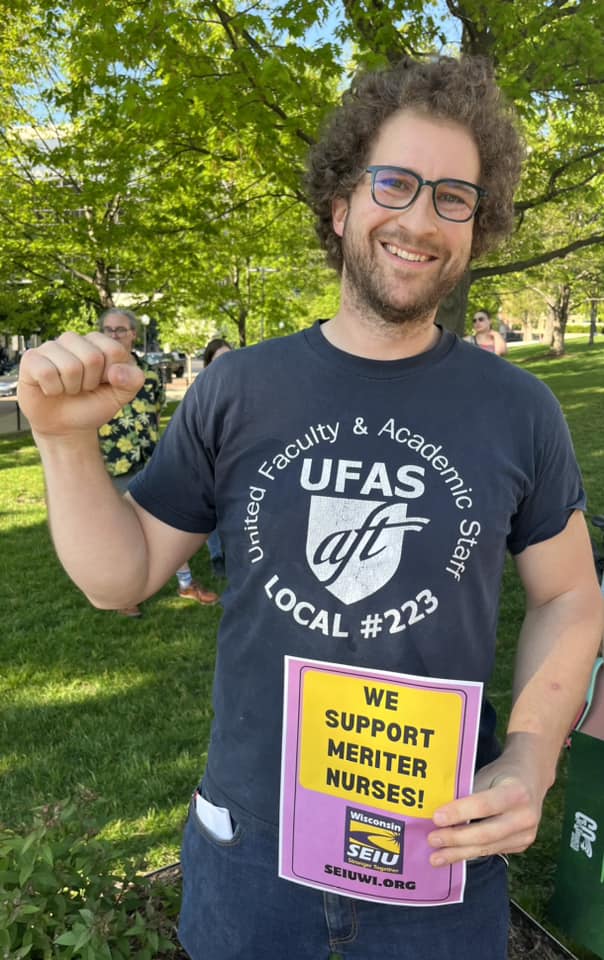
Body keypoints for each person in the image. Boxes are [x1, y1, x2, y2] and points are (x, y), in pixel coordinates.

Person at [17, 55, 603, 960]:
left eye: (454, 197)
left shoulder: (519, 409)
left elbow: (567, 594)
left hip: (438, 839)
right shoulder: (239, 389)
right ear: (339, 203)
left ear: (477, 226)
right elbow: (118, 578)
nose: (420, 219)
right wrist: (63, 441)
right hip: (250, 849)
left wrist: (531, 753)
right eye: (395, 183)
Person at [98, 307, 218, 616]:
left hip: (152, 460)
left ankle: (186, 583)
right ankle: (126, 593)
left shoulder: (149, 374)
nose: (114, 335)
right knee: (119, 530)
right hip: (113, 462)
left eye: (120, 330)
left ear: (133, 334)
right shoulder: (95, 375)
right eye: (108, 330)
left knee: (168, 521)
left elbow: (156, 410)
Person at [201, 337, 232, 577]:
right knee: (211, 508)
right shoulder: (202, 390)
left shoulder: (245, 385)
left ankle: (234, 550)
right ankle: (216, 556)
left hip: (235, 457)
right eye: (219, 359)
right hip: (210, 456)